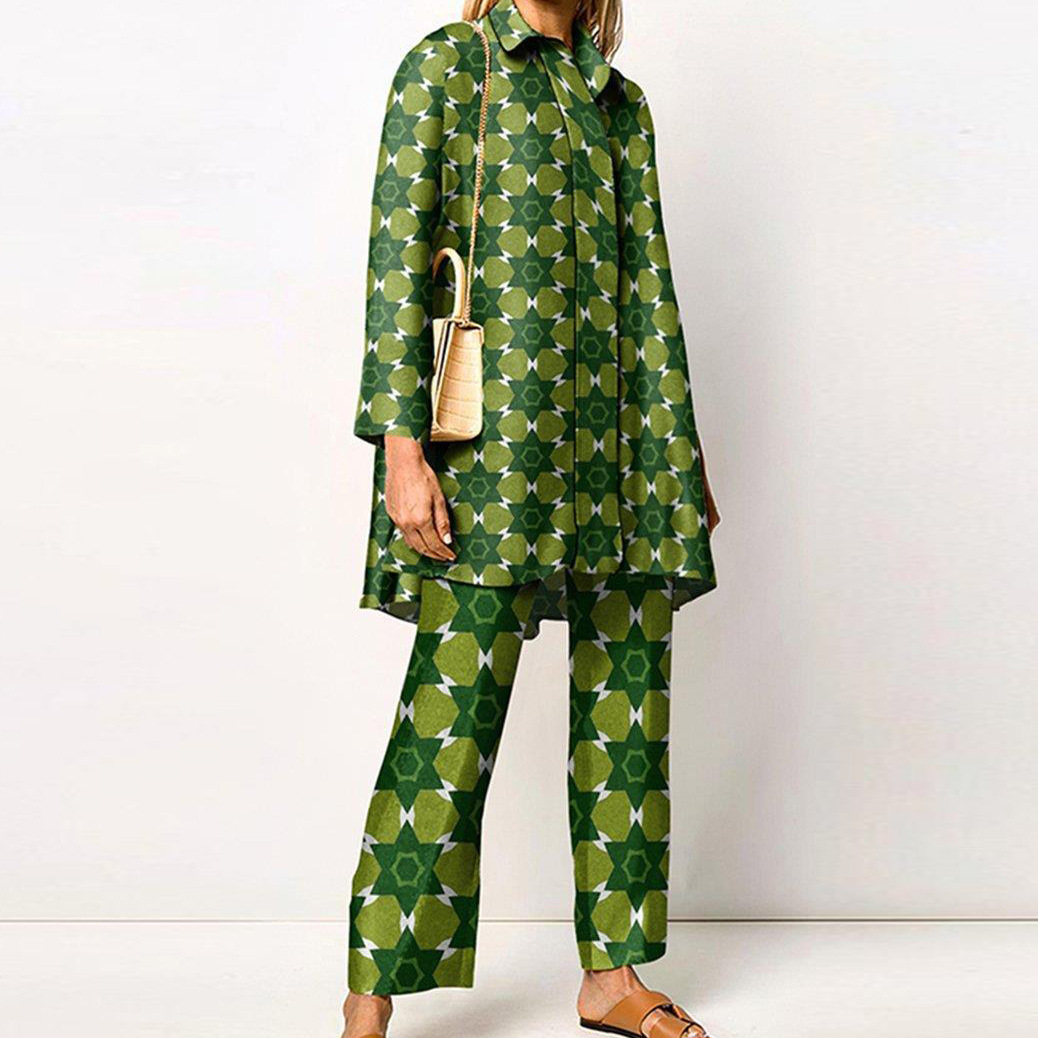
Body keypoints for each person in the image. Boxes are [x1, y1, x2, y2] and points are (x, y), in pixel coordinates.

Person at [344, 2, 719, 1035]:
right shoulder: (446, 69)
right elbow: (396, 264)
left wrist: (681, 452)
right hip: (495, 453)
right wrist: (402, 451)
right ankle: (372, 989)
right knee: (449, 710)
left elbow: (650, 288)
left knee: (629, 708)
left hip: (625, 450)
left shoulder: (621, 104)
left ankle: (614, 977)